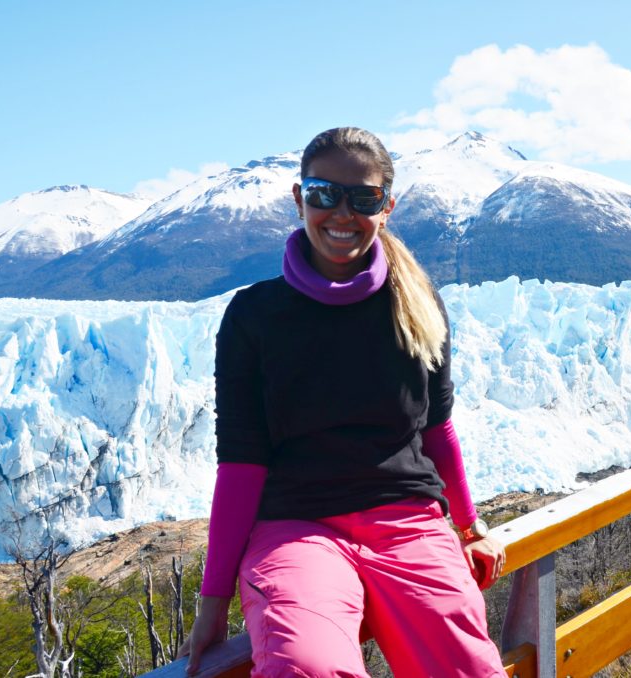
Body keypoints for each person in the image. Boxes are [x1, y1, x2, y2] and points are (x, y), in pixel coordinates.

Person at [177, 127, 508, 677]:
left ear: (387, 207)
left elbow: (437, 430)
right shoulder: (254, 316)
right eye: (324, 194)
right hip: (296, 525)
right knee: (305, 666)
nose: (341, 213)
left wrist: (471, 528)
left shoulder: (419, 305)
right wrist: (213, 604)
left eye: (364, 198)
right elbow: (241, 460)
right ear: (298, 198)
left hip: (407, 520)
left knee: (464, 665)